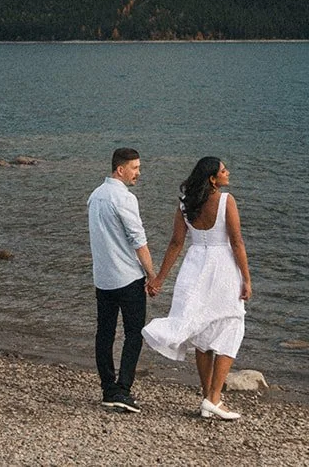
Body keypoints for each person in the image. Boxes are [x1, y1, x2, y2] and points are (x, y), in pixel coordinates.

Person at [142, 156, 252, 420]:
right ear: (213, 179)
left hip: (194, 267)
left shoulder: (185, 204)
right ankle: (213, 399)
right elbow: (237, 243)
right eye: (224, 171)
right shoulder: (226, 201)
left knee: (203, 334)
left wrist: (159, 279)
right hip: (222, 267)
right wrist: (247, 279)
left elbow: (176, 243)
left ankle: (208, 398)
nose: (228, 173)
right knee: (231, 326)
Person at [87, 146, 158, 413]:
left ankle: (108, 388)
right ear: (121, 169)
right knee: (133, 333)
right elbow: (139, 241)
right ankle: (123, 389)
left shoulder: (94, 196)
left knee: (104, 333)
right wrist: (153, 276)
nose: (139, 173)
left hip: (103, 278)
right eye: (135, 168)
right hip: (127, 277)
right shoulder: (125, 199)